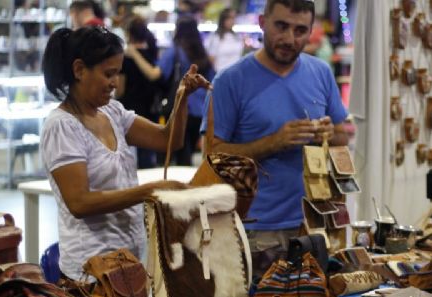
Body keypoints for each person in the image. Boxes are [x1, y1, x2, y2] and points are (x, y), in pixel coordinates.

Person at [40, 26, 210, 280]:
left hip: (127, 263)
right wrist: (148, 192)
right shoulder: (62, 126)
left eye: (118, 73)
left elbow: (168, 140)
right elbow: (79, 202)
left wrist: (182, 97)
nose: (115, 83)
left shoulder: (112, 112)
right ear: (79, 70)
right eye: (108, 74)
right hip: (90, 273)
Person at [202, 0, 348, 276]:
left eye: (300, 30)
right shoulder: (230, 81)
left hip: (313, 225)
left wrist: (331, 133)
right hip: (254, 230)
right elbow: (211, 154)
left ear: (310, 31)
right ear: (262, 23)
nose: (290, 39)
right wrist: (275, 142)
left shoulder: (321, 73)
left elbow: (342, 135)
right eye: (281, 26)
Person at [127, 16, 216, 166]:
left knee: (177, 153)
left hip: (182, 108)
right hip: (201, 112)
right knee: (190, 157)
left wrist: (134, 54)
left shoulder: (175, 51)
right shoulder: (203, 54)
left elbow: (154, 74)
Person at [117, 16, 162, 168]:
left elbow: (120, 88)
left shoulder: (126, 58)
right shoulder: (153, 54)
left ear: (129, 34)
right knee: (147, 151)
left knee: (126, 149)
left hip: (130, 107)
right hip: (150, 108)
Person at [205, 8, 244, 73]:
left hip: (236, 74)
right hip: (221, 74)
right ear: (223, 19)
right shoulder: (215, 37)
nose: (232, 21)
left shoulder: (236, 36)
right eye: (229, 18)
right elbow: (211, 58)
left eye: (234, 18)